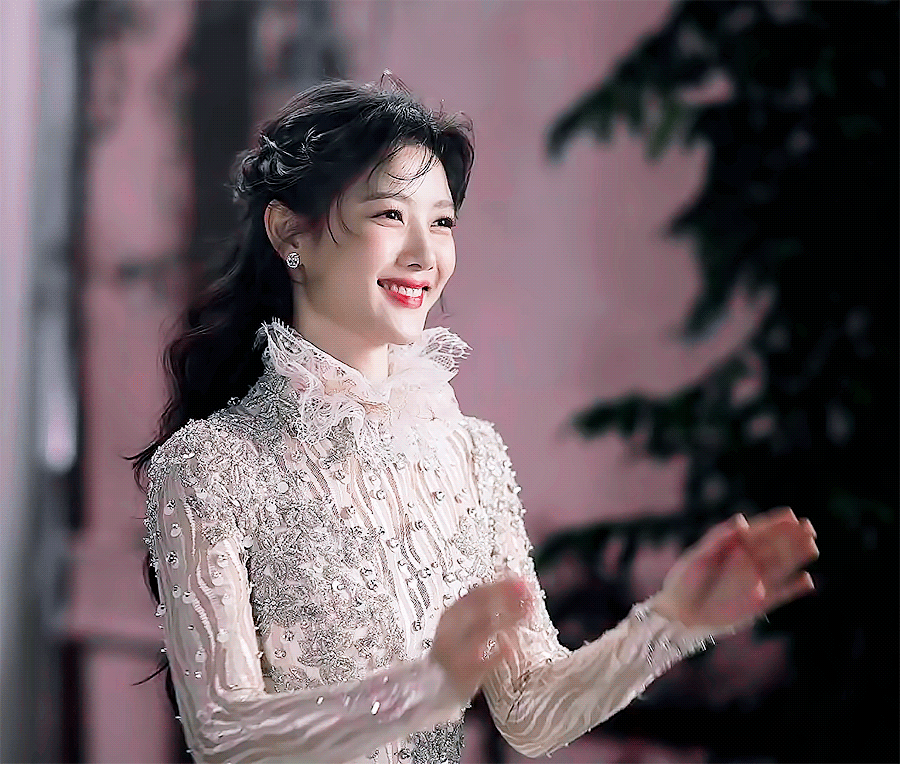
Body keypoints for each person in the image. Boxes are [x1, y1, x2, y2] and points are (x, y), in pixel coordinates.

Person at [135, 78, 818, 764]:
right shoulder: (209, 466)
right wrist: (426, 688)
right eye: (389, 214)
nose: (423, 256)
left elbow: (530, 712)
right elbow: (224, 734)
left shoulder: (469, 456)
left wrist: (673, 621)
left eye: (441, 222)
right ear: (291, 233)